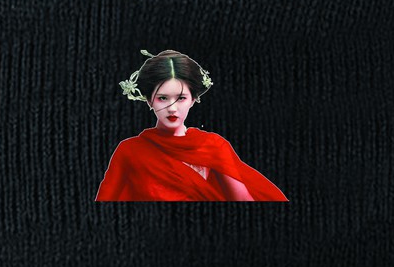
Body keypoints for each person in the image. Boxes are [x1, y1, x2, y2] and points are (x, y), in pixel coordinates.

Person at [94, 48, 288, 201]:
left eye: (181, 98)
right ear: (149, 101)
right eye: (162, 98)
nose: (172, 108)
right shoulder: (129, 151)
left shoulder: (213, 146)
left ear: (193, 100)